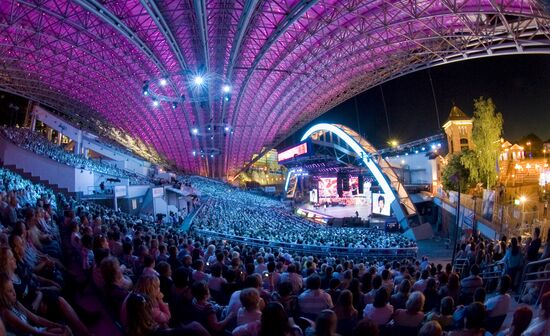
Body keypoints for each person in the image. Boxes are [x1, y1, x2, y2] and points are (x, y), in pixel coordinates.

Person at [0, 272, 71, 336]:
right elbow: (34, 331)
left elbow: (37, 319)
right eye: (10, 291)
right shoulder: (6, 312)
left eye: (13, 289)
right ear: (1, 295)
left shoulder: (15, 303)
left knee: (62, 329)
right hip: (32, 333)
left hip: (36, 330)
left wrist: (59, 326)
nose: (14, 293)